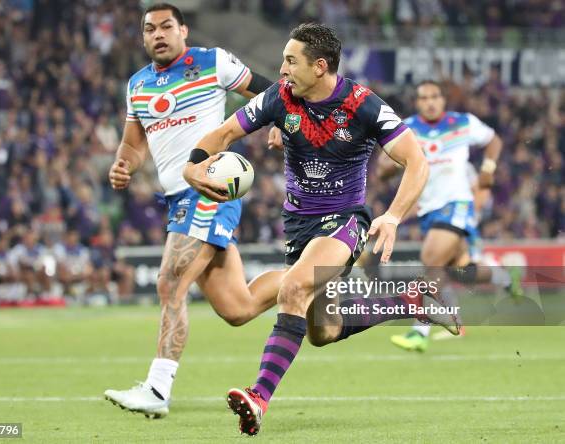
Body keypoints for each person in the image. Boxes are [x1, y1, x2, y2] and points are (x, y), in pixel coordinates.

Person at [183, 23, 459, 436]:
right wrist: (193, 165)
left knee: (294, 289)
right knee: (323, 331)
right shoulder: (279, 97)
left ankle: (258, 397)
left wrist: (394, 215)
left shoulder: (364, 105)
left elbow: (416, 161)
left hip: (344, 222)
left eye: (291, 61)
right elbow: (224, 132)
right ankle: (410, 301)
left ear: (320, 66)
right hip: (298, 227)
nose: (282, 69)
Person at [104, 3, 284, 418]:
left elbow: (270, 91)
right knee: (238, 308)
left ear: (183, 30)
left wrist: (281, 121)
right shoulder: (137, 85)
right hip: (176, 199)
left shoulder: (212, 62)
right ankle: (315, 276)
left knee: (169, 284)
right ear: (143, 37)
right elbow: (133, 143)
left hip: (206, 188)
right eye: (150, 29)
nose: (158, 34)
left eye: (167, 26)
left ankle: (158, 389)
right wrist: (123, 165)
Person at [375, 80, 522, 352]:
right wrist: (389, 166)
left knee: (431, 259)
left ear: (443, 100)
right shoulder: (408, 129)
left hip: (457, 204)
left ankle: (420, 331)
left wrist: (488, 167)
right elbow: (386, 167)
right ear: (417, 102)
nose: (429, 102)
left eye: (434, 96)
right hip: (430, 209)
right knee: (462, 272)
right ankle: (504, 278)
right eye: (423, 97)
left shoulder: (462, 122)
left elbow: (494, 141)